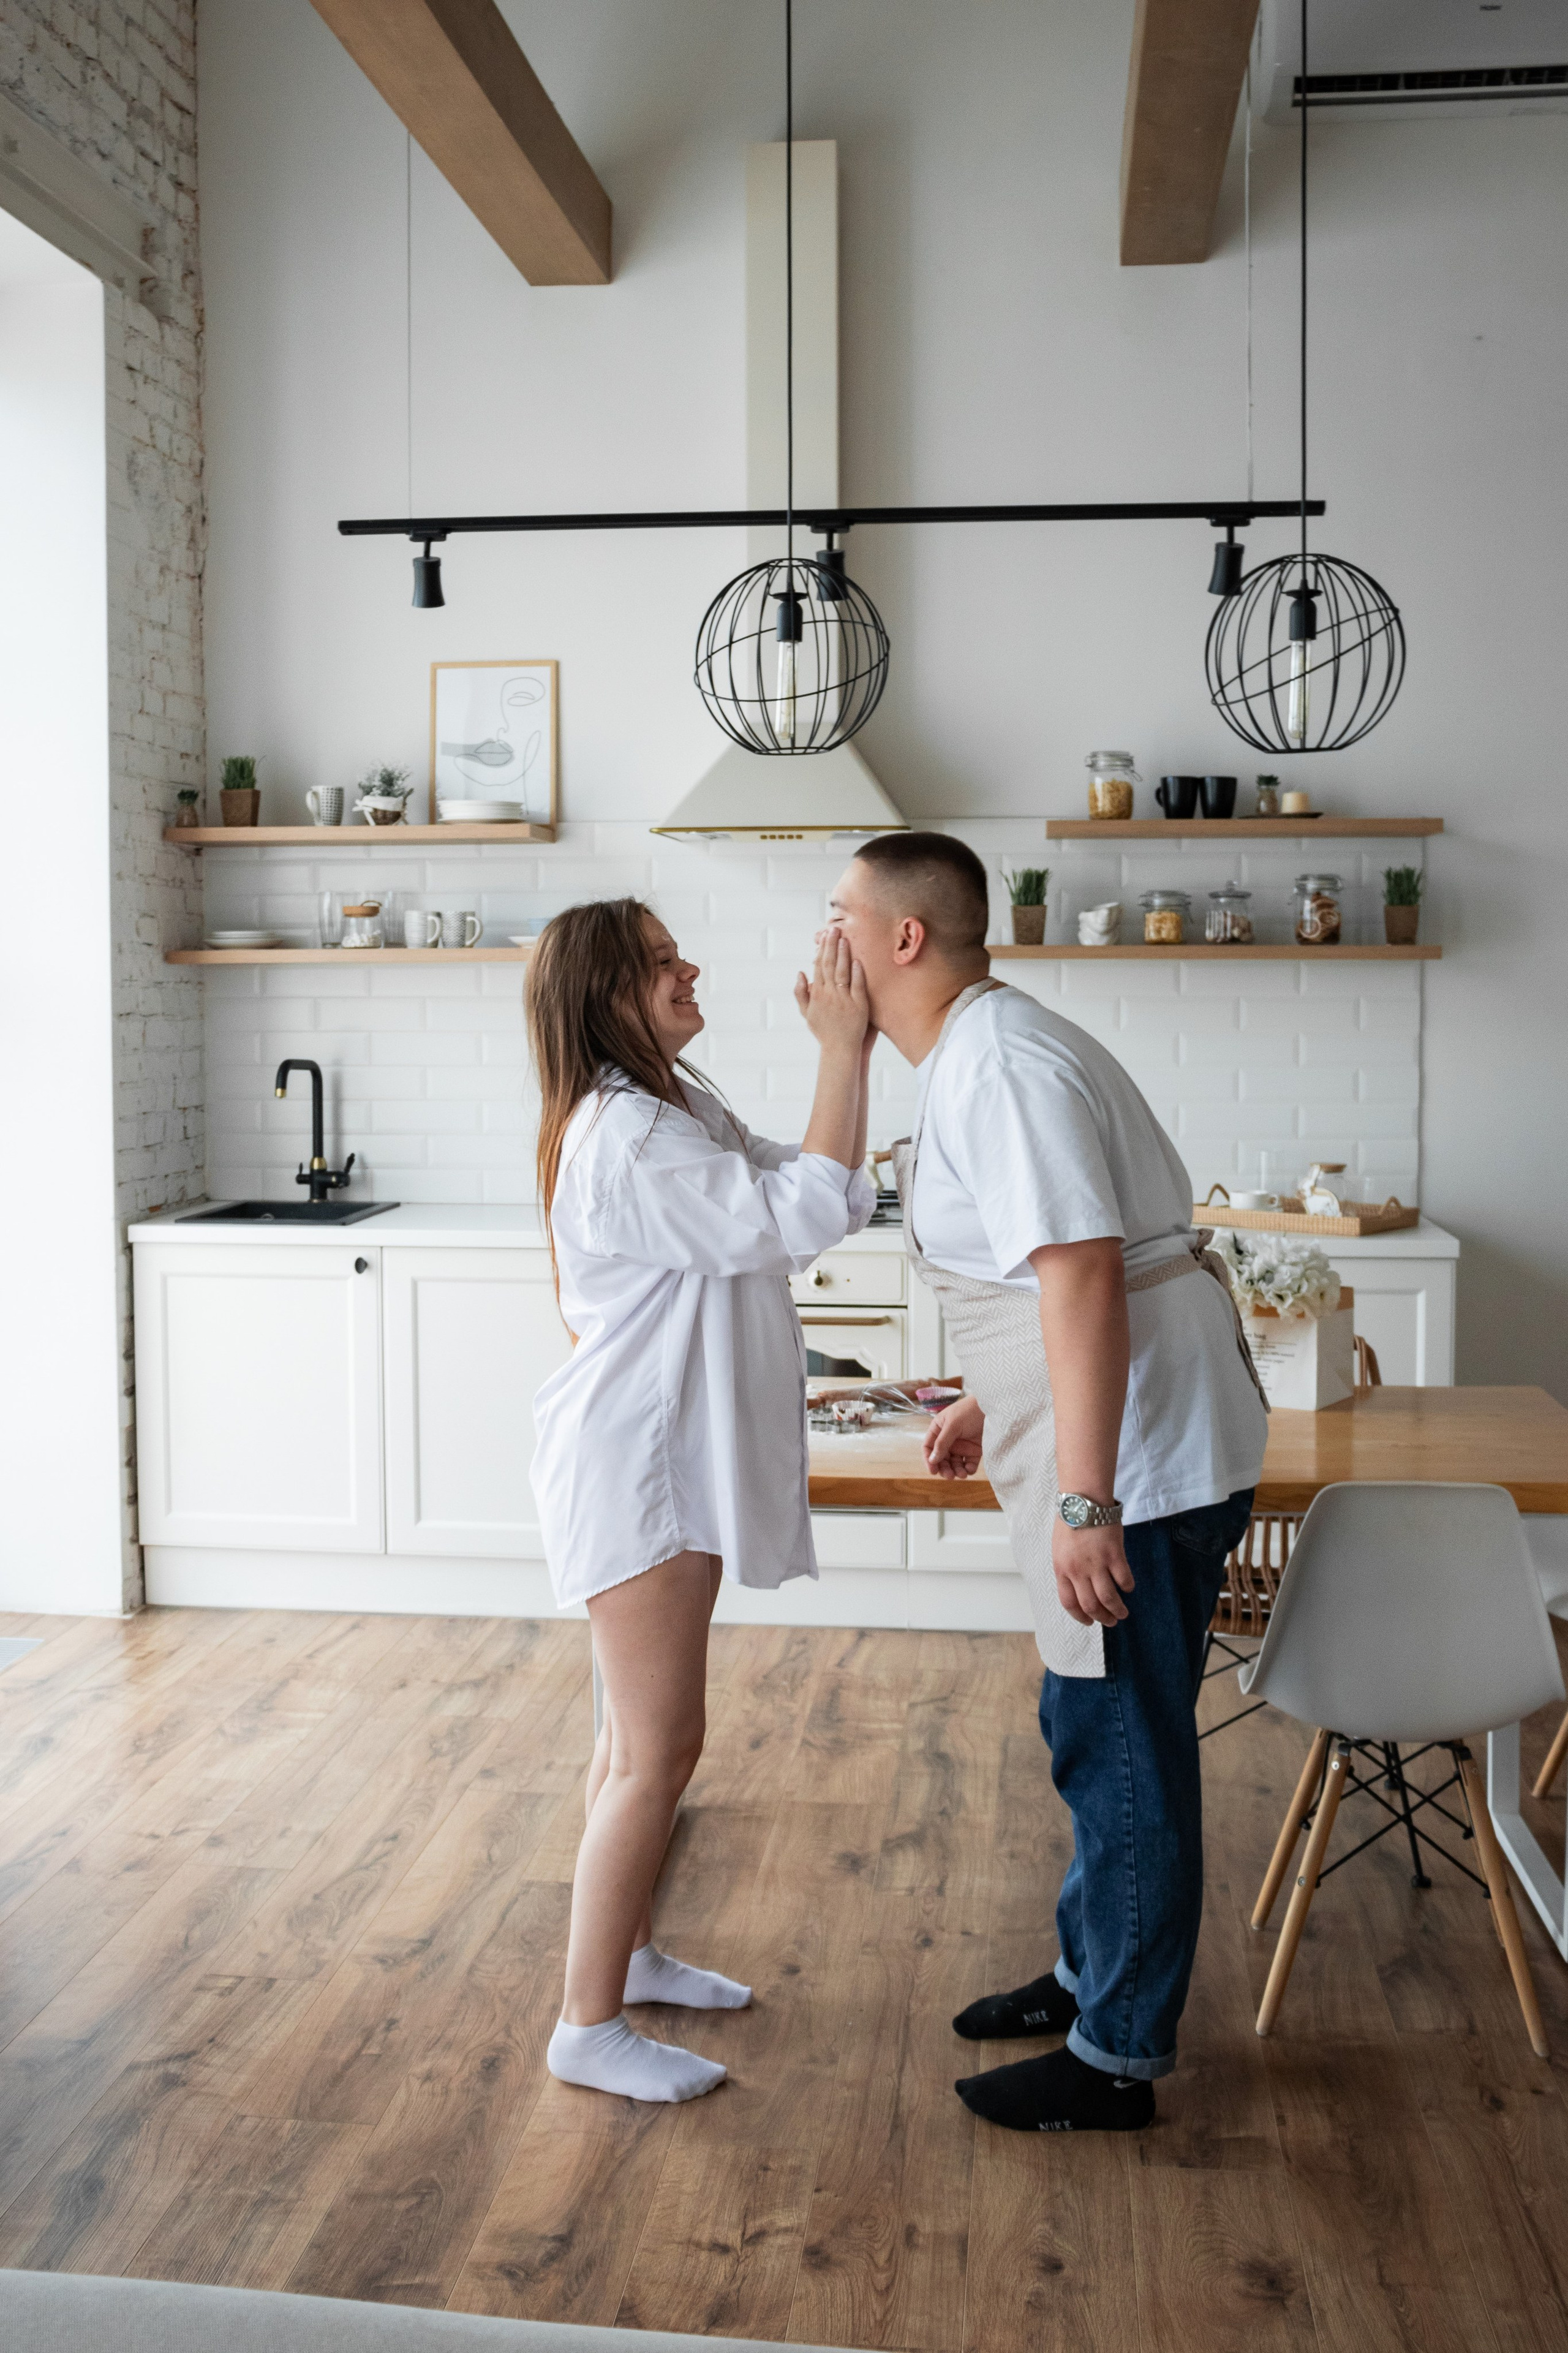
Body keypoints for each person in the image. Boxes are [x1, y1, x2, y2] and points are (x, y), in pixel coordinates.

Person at [824, 833, 1268, 2132]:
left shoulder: (997, 1065)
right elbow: (1067, 1269)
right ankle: (1090, 1975)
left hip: (1135, 1456)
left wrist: (1085, 1498)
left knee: (1120, 1743)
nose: (823, 943)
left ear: (902, 939)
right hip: (1130, 1427)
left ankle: (1115, 2054)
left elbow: (1079, 1272)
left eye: (838, 915)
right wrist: (988, 1395)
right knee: (1089, 1726)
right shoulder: (984, 1049)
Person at [527, 896, 874, 2104]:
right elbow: (803, 1211)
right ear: (608, 992)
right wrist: (845, 1049)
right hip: (642, 1463)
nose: (689, 969)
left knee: (631, 1739)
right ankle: (587, 2024)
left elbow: (805, 1185)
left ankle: (624, 1952)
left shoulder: (673, 1104)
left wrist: (849, 1113)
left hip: (657, 1449)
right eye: (660, 961)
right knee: (658, 1747)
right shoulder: (626, 1134)